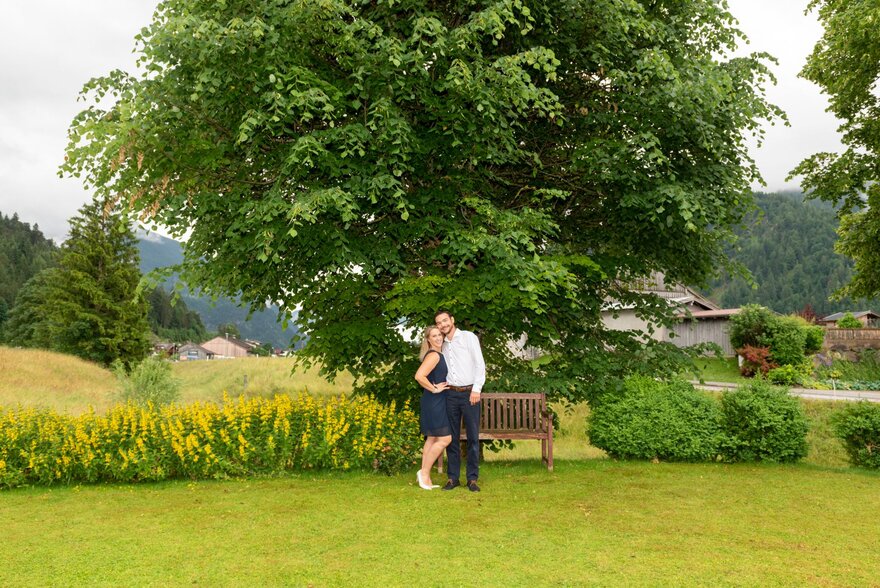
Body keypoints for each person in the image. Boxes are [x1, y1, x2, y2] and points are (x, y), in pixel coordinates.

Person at [434, 309, 486, 492]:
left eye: (445, 320)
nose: (443, 325)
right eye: (439, 323)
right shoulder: (442, 344)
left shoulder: (468, 337)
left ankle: (472, 479)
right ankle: (452, 478)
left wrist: (476, 389)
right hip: (450, 395)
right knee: (452, 438)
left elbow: (480, 364)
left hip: (469, 394)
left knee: (472, 437)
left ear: (452, 320)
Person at [413, 326, 451, 490]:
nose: (438, 338)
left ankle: (425, 477)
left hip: (435, 400)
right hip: (434, 401)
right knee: (445, 439)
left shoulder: (438, 354)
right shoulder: (434, 355)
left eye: (439, 335)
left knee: (432, 438)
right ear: (428, 339)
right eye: (433, 336)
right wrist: (434, 388)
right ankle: (424, 473)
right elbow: (419, 376)